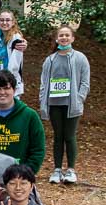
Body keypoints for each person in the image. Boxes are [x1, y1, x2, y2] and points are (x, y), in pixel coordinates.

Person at [39, 25, 90, 184]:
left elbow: (85, 82)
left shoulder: (80, 58)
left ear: (72, 38)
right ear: (56, 38)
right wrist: (43, 101)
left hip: (71, 104)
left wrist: (79, 98)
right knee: (58, 136)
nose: (64, 38)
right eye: (61, 35)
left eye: (67, 35)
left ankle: (71, 170)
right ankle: (57, 169)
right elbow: (43, 83)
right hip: (55, 104)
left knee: (69, 135)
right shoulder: (50, 60)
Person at [0, 70, 47, 174]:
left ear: (14, 90)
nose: (2, 92)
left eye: (6, 88)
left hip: (21, 176)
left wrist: (26, 173)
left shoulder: (30, 116)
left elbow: (38, 149)